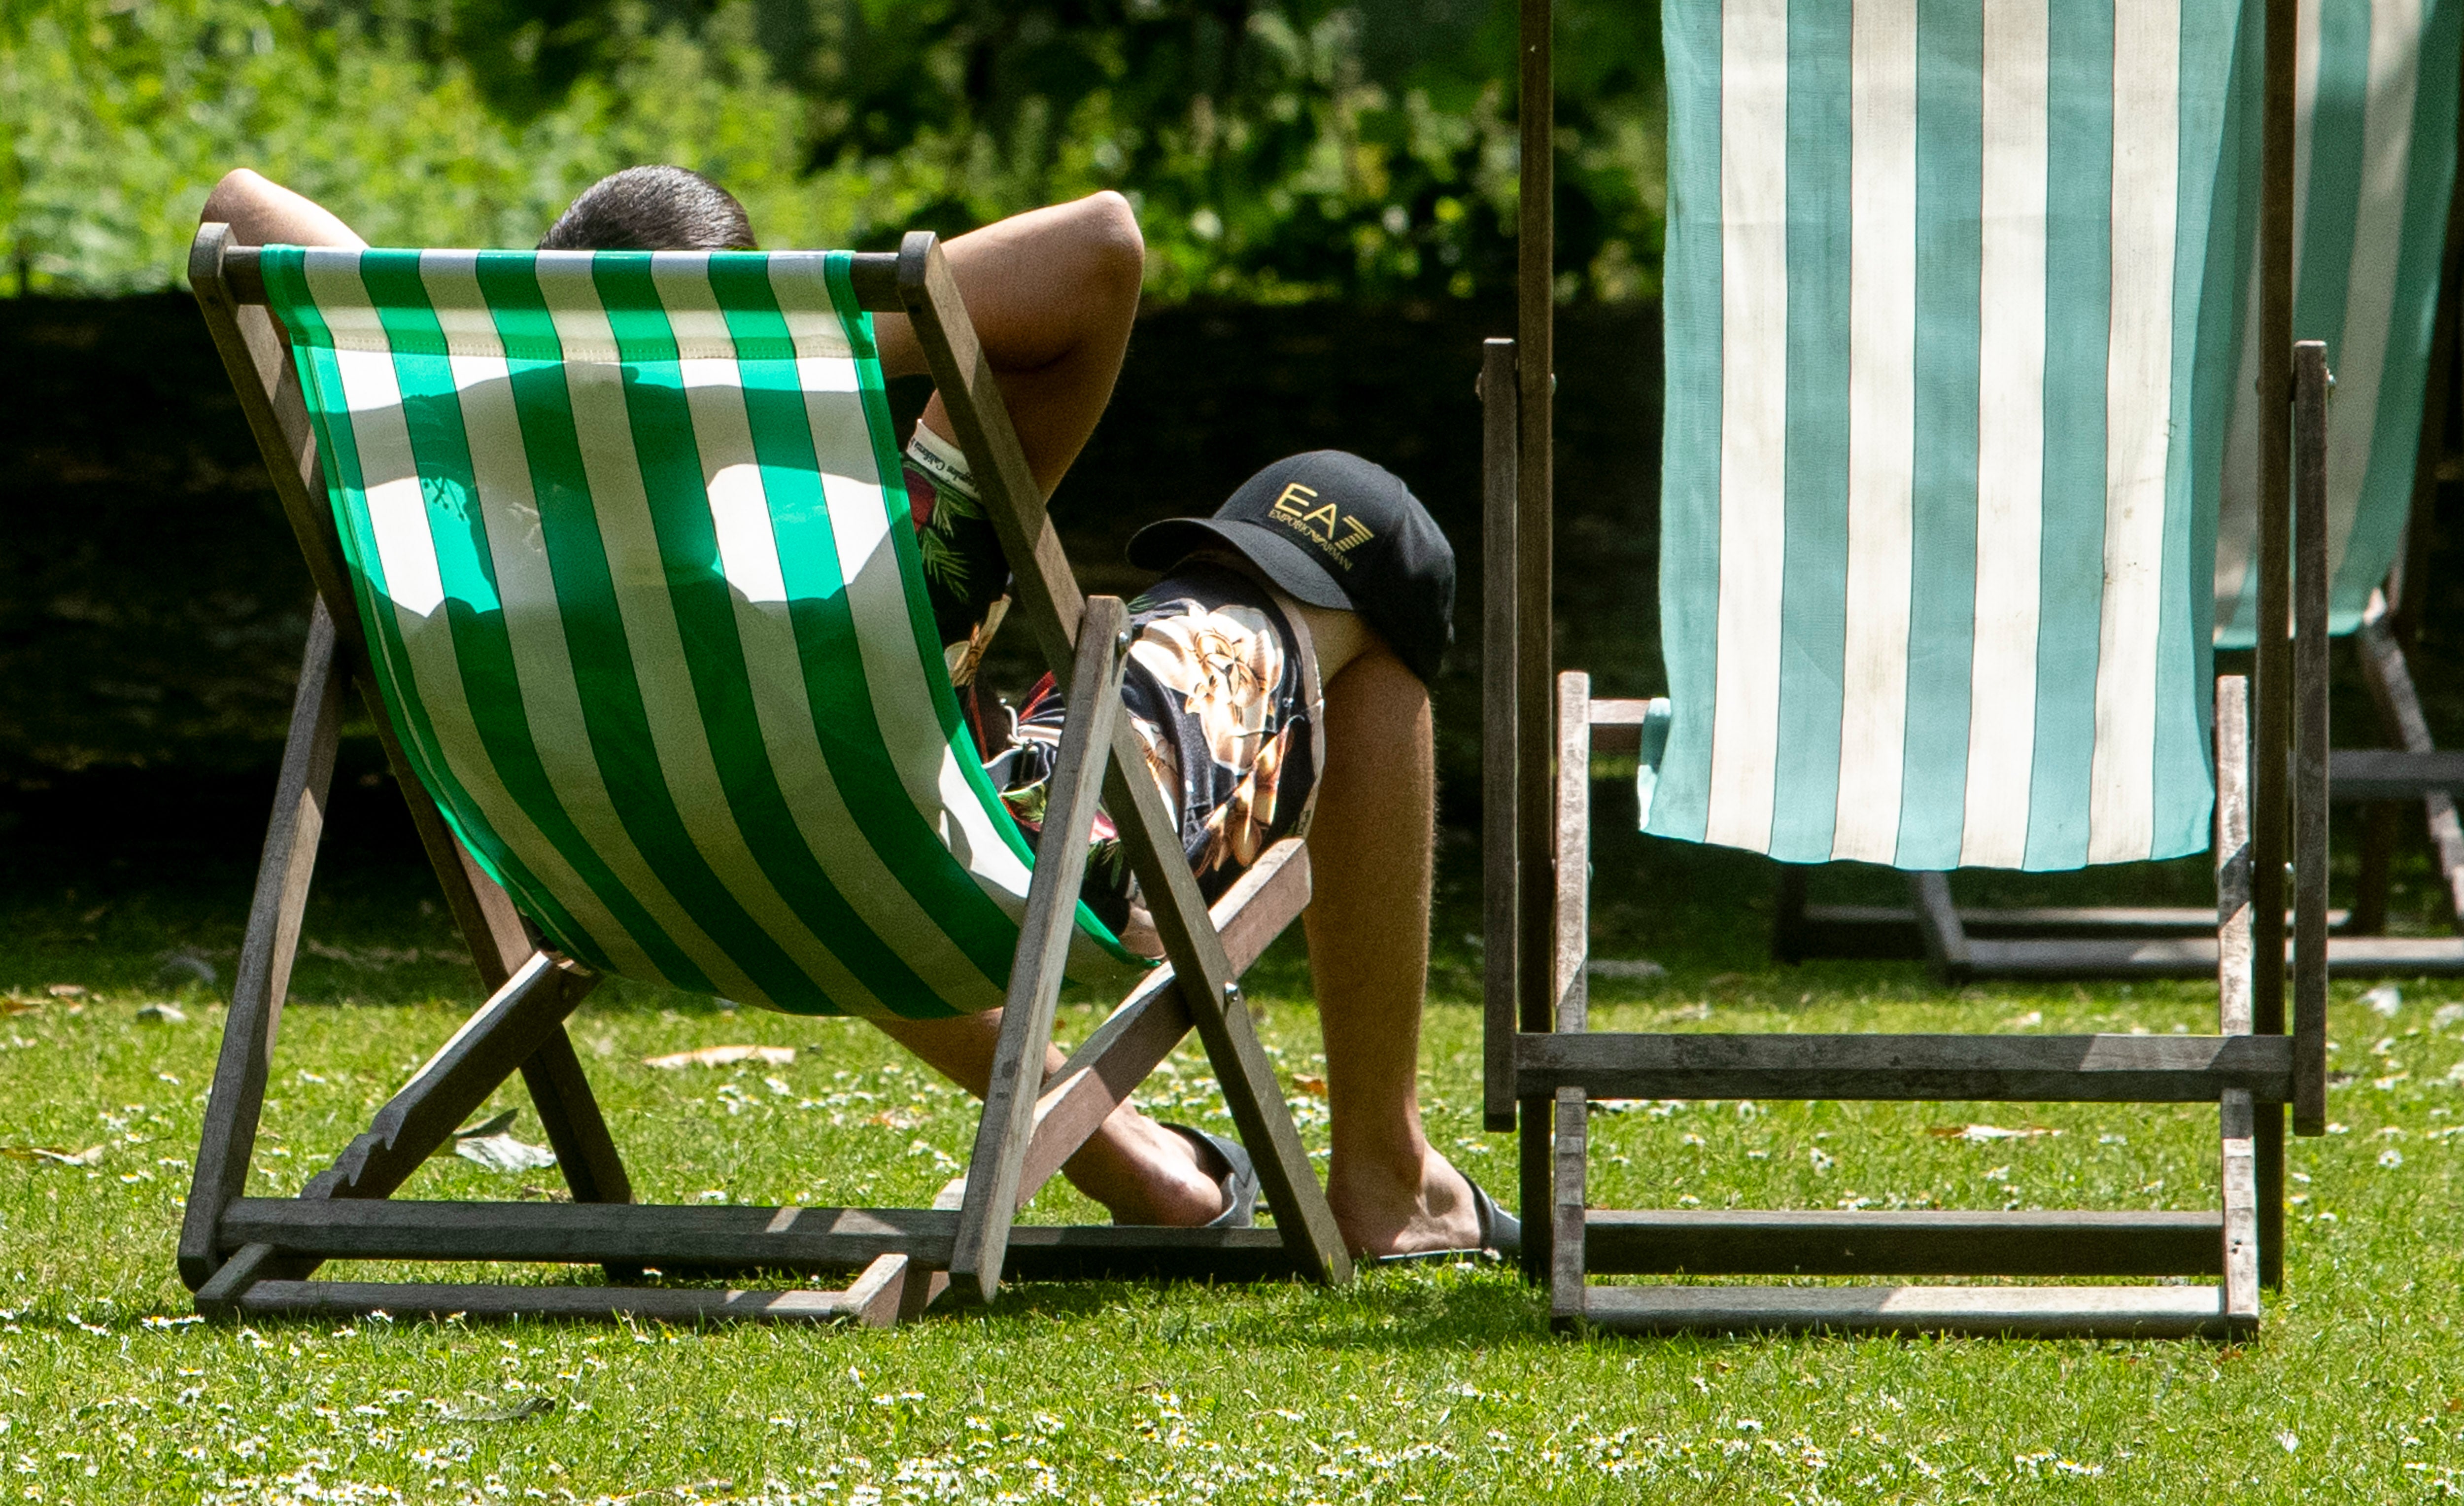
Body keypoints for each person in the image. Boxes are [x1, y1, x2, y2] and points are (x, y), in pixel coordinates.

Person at [200, 164, 1512, 1260]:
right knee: (1347, 519)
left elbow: (242, 203)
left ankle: (1148, 1175)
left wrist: (541, 353)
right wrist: (770, 345)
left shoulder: (472, 544)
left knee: (804, 789)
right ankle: (1388, 1178)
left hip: (631, 894)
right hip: (990, 867)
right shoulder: (878, 552)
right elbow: (1103, 244)